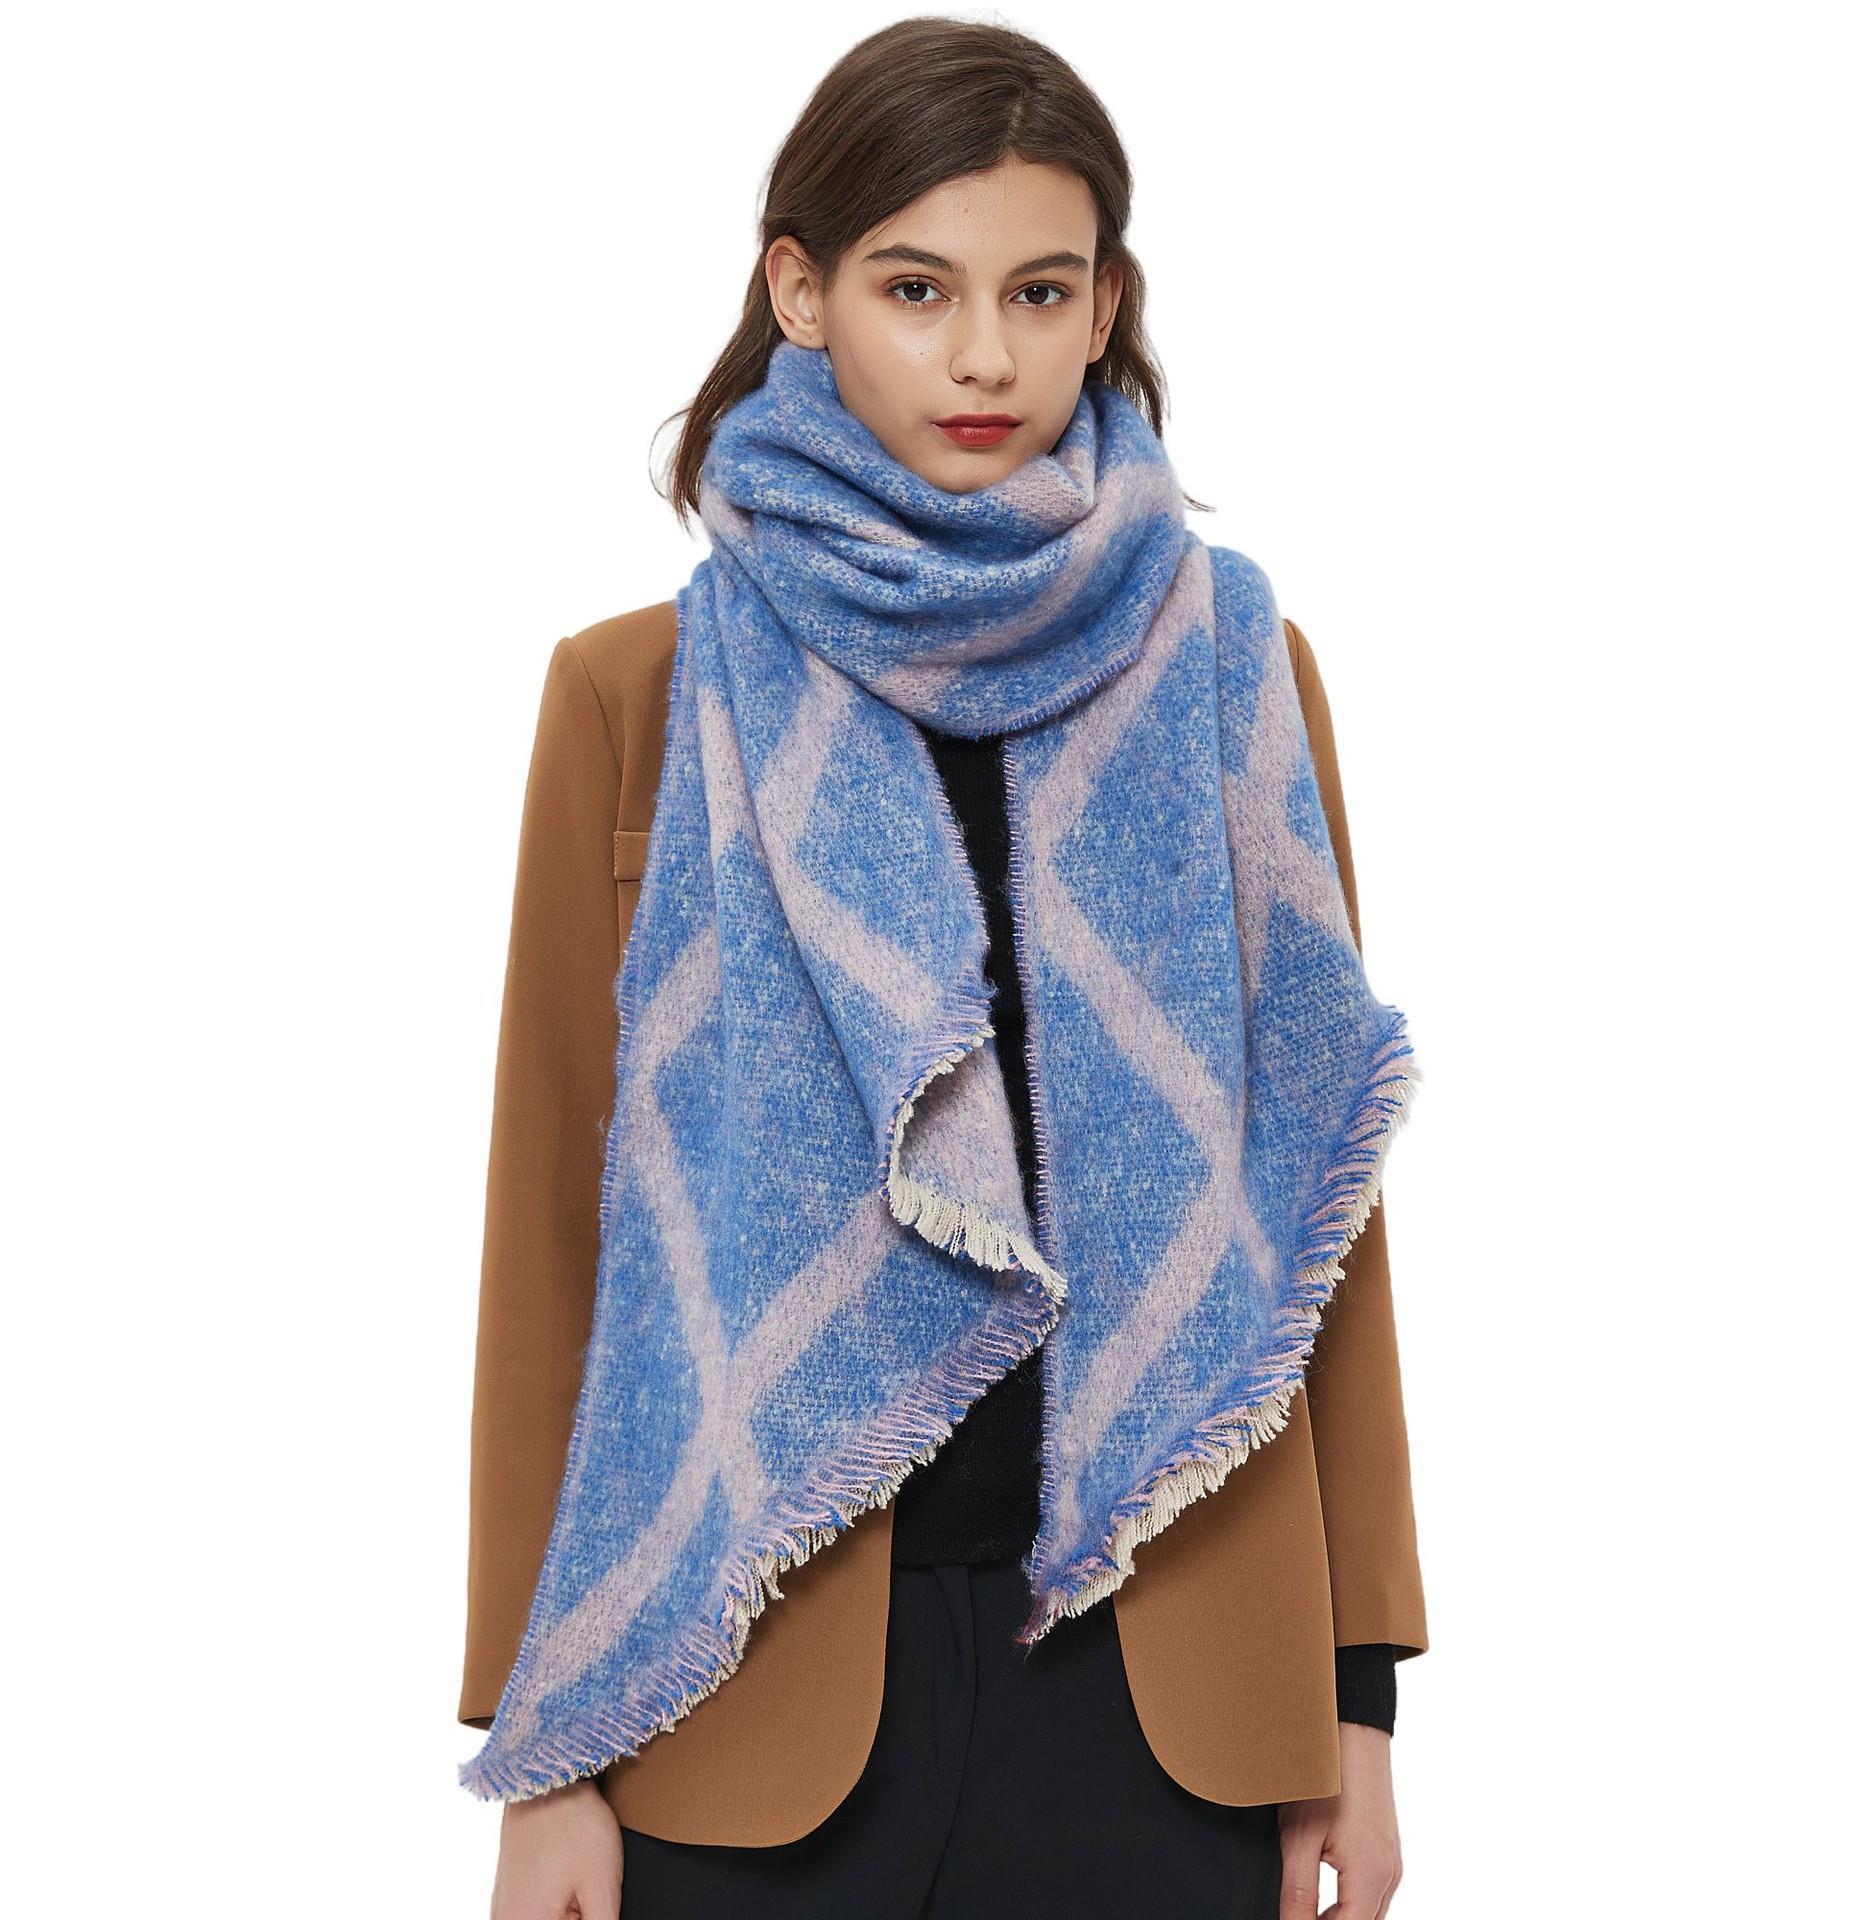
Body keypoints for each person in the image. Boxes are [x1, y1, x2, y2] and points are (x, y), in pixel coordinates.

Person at [457, 19, 1427, 1920]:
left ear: (1104, 307)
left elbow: (1323, 1205)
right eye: (917, 289)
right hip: (746, 1679)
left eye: (1038, 291)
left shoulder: (1238, 667)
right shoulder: (639, 697)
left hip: (1167, 1677)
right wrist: (542, 1743)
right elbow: (553, 1242)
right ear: (799, 291)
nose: (984, 355)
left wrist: (1359, 1698)